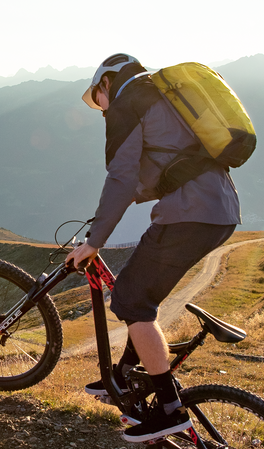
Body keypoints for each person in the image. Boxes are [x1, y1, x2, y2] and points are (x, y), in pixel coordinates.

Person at [64, 53, 241, 442]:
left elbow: (121, 179)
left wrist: (95, 242)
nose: (99, 109)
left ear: (106, 83)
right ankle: (124, 378)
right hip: (221, 210)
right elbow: (161, 169)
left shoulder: (129, 103)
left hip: (189, 216)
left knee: (129, 301)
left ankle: (169, 409)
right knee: (142, 294)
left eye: (97, 99)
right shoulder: (168, 97)